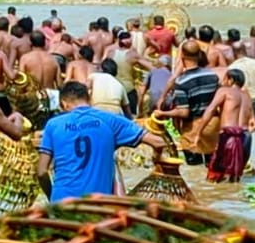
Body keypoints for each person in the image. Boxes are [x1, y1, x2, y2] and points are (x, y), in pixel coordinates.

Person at [37, 81, 165, 202]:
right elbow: (158, 142)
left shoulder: (53, 125)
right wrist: (157, 157)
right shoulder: (110, 120)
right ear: (89, 98)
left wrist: (52, 197)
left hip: (62, 202)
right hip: (98, 205)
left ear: (64, 103)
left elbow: (42, 172)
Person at [191, 67, 255, 183]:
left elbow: (210, 111)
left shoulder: (224, 91)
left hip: (228, 136)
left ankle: (220, 198)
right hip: (245, 137)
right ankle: (232, 199)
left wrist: (198, 132)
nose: (222, 81)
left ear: (231, 80)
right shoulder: (246, 95)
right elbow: (253, 123)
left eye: (224, 79)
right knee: (235, 177)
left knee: (214, 177)